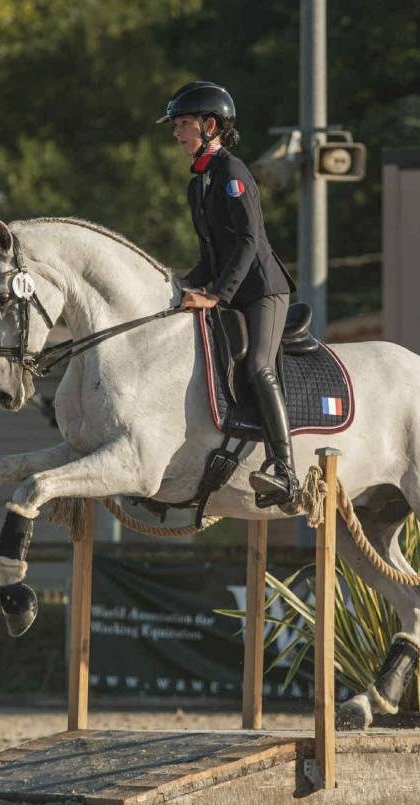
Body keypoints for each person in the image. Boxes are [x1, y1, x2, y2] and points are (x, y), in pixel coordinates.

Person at [157, 81, 299, 510]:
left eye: (184, 125)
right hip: (231, 291)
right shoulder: (197, 184)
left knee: (257, 366)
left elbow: (247, 242)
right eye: (177, 126)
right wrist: (178, 287)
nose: (177, 133)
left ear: (210, 125)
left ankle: (285, 470)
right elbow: (210, 255)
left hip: (262, 293)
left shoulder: (233, 173)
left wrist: (217, 296)